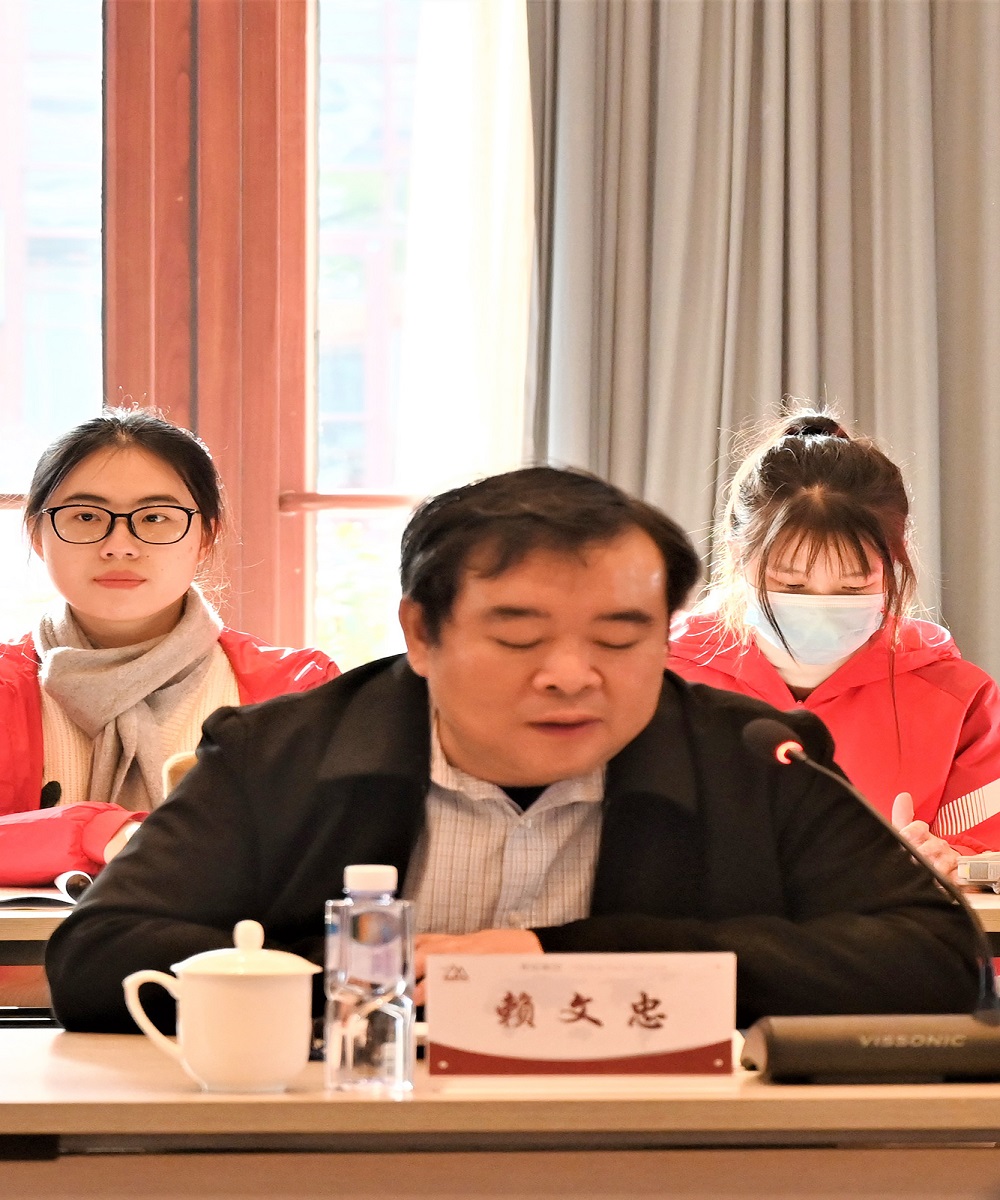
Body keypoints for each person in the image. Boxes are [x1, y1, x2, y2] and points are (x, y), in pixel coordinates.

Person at [46, 466, 979, 1034]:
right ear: (421, 633)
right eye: (520, 635)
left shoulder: (749, 753)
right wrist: (382, 985)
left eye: (620, 636)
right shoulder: (284, 754)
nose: (571, 675)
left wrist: (568, 961)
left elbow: (933, 957)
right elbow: (101, 953)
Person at [0, 408, 340, 887]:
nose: (119, 545)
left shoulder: (298, 691)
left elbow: (332, 853)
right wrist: (98, 831)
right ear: (38, 534)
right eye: (86, 516)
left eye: (155, 517)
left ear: (206, 537)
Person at [668, 410, 1000, 873]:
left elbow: (983, 860)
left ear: (894, 562)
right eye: (790, 584)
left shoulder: (959, 699)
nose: (821, 607)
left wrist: (945, 864)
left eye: (853, 587)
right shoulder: (662, 679)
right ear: (737, 552)